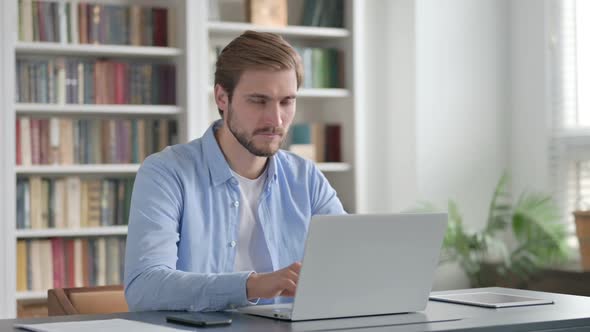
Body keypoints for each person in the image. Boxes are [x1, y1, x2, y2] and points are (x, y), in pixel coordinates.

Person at [124, 30, 345, 312]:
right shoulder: (167, 173)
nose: (275, 119)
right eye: (258, 100)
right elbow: (145, 287)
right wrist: (252, 285)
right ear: (221, 97)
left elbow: (346, 267)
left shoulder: (306, 177)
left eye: (286, 101)